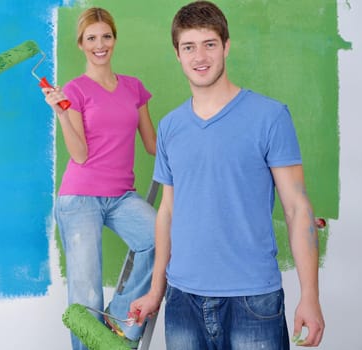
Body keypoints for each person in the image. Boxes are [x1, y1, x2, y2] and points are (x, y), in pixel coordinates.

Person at [130, 1, 325, 349]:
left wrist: (310, 295)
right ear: (177, 54)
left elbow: (297, 208)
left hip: (253, 299)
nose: (199, 56)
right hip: (182, 299)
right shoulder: (170, 127)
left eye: (209, 44)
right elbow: (168, 212)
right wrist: (156, 290)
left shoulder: (270, 117)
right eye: (188, 46)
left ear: (226, 46)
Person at [42, 7, 157, 350]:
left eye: (106, 36)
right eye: (91, 38)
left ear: (114, 39)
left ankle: (118, 320)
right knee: (86, 293)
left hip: (122, 196)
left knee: (163, 238)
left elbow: (152, 145)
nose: (100, 44)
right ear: (81, 44)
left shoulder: (134, 88)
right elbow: (79, 155)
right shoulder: (75, 90)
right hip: (80, 197)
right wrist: (61, 113)